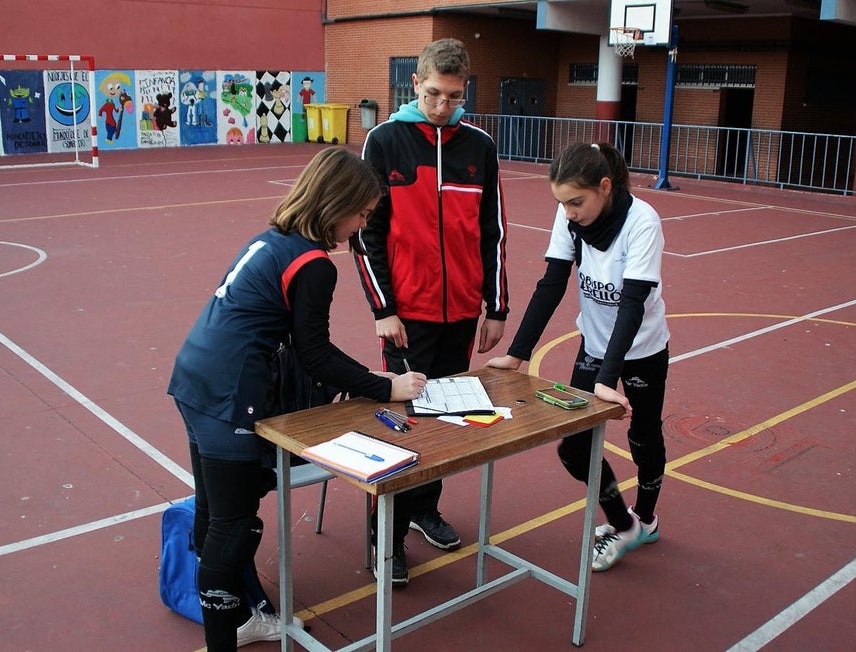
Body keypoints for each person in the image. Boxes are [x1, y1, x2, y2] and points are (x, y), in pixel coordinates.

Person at [168, 147, 427, 651]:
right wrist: (384, 385)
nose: (363, 225)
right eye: (363, 213)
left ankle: (240, 616)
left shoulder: (273, 240)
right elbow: (314, 355)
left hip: (193, 378)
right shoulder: (315, 265)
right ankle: (226, 635)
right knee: (232, 527)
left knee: (214, 513)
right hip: (228, 398)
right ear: (337, 204)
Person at [354, 37, 509, 585]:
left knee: (445, 420)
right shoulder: (385, 142)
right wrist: (382, 308)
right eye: (436, 94)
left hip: (463, 313)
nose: (444, 106)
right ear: (415, 84)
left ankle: (423, 508)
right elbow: (365, 232)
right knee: (402, 424)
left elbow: (493, 233)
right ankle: (385, 538)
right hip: (407, 316)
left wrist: (497, 307)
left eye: (455, 96)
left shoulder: (480, 146)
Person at [486, 141, 669, 572]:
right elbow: (551, 283)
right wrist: (516, 354)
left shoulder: (642, 221)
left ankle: (646, 519)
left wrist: (610, 376)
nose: (568, 211)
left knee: (643, 434)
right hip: (594, 343)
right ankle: (624, 524)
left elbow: (632, 302)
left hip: (643, 348)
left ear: (605, 187)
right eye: (561, 202)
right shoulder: (570, 216)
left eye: (575, 202)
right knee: (574, 447)